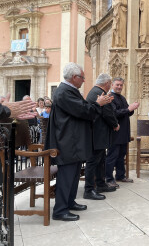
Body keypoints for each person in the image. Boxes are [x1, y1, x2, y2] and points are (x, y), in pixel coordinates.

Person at [45, 62, 112, 222]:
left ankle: (69, 202)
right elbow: (83, 110)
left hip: (73, 141)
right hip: (67, 142)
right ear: (74, 77)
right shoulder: (64, 92)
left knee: (74, 175)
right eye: (82, 77)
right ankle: (60, 210)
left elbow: (82, 108)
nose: (84, 80)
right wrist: (98, 104)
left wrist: (95, 105)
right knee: (67, 176)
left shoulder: (69, 90)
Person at [85, 74, 119, 200]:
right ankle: (89, 190)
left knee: (100, 161)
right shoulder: (99, 93)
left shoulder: (95, 91)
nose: (110, 85)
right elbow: (107, 112)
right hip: (97, 134)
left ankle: (100, 184)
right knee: (93, 162)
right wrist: (115, 124)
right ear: (107, 83)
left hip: (98, 133)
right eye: (110, 83)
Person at [105, 77, 139, 188]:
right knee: (112, 156)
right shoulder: (110, 97)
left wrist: (132, 108)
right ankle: (109, 179)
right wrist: (129, 109)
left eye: (121, 85)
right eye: (117, 85)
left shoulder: (122, 98)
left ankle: (120, 175)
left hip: (124, 133)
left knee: (121, 155)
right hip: (115, 133)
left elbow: (126, 113)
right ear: (112, 85)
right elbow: (114, 113)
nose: (119, 87)